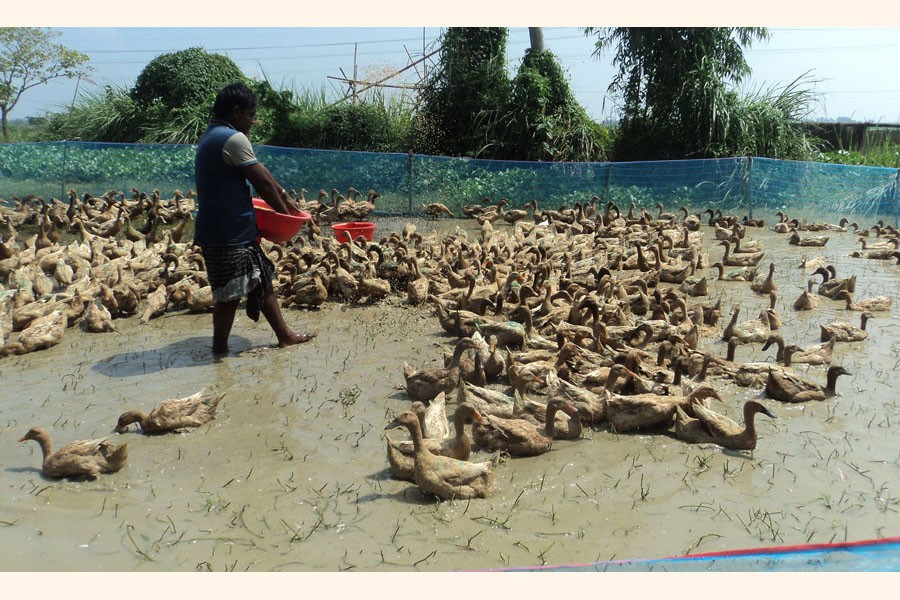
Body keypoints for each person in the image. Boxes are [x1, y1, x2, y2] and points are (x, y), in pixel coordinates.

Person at [193, 82, 316, 355]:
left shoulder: (213, 135)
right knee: (228, 293)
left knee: (261, 279)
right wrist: (286, 216)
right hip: (226, 232)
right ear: (236, 112)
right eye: (250, 116)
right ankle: (219, 350)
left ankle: (284, 335)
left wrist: (286, 198)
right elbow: (262, 183)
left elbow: (263, 173)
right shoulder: (232, 138)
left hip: (229, 227)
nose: (252, 122)